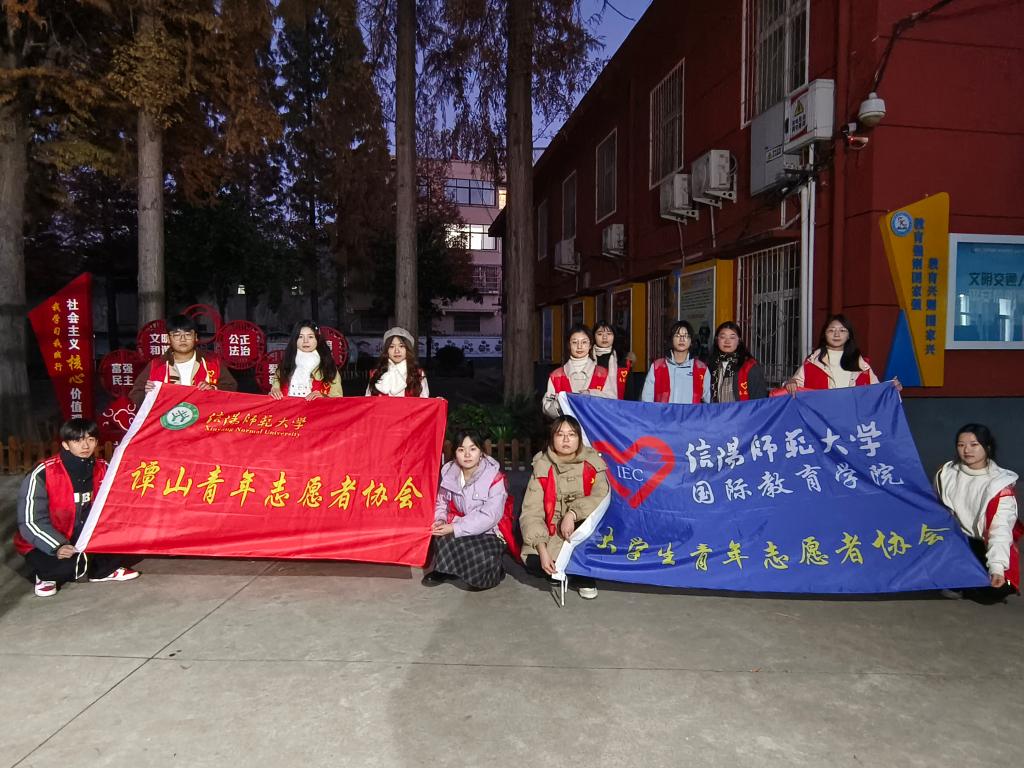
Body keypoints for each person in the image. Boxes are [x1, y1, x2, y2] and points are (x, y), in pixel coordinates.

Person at [14, 418, 140, 598]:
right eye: (77, 440)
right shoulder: (43, 473)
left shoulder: (103, 468)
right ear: (65, 445)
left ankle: (101, 571)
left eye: (90, 439)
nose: (85, 446)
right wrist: (57, 546)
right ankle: (45, 577)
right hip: (51, 538)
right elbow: (30, 521)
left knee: (129, 540)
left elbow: (119, 506)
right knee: (61, 565)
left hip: (86, 537)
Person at [520, 415, 610, 600]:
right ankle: (564, 569)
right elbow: (531, 512)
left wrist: (573, 513)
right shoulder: (542, 466)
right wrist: (542, 549)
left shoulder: (592, 462)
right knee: (534, 561)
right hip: (552, 527)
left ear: (579, 438)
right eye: (560, 434)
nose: (566, 440)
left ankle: (581, 577)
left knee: (587, 551)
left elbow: (601, 496)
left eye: (572, 434)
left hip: (584, 525)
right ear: (552, 438)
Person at [934, 424, 1020, 602]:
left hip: (983, 544)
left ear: (987, 447)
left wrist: (997, 568)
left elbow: (1000, 530)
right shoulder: (946, 474)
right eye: (961, 445)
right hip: (954, 542)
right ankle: (957, 579)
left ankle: (965, 584)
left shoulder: (999, 484)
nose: (967, 450)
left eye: (974, 444)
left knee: (998, 589)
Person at [424, 429, 513, 590]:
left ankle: (496, 569)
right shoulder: (449, 474)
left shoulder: (494, 477)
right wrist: (440, 520)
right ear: (455, 453)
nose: (467, 455)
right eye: (461, 449)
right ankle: (444, 570)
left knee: (479, 555)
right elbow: (441, 503)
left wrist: (455, 527)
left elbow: (490, 516)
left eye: (473, 449)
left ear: (481, 452)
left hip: (488, 531)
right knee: (441, 537)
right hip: (458, 523)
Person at [129, 314, 237, 406]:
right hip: (168, 421)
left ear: (195, 337)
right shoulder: (156, 365)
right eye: (177, 335)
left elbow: (232, 387)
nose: (183, 339)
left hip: (204, 420)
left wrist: (213, 389)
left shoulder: (212, 362)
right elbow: (135, 395)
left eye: (188, 334)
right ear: (168, 339)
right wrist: (147, 394)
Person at [784, 314, 887, 394]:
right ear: (824, 334)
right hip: (821, 414)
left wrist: (891, 387)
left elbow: (878, 391)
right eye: (831, 330)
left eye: (842, 330)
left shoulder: (862, 365)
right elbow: (794, 385)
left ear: (849, 335)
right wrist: (790, 383)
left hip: (853, 414)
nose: (836, 334)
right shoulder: (812, 363)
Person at [542, 324, 616, 419]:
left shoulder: (603, 373)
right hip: (567, 427)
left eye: (584, 342)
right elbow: (547, 407)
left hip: (595, 426)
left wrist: (591, 394)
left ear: (590, 345)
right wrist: (558, 404)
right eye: (574, 342)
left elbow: (613, 401)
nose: (579, 346)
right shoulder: (556, 375)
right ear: (569, 345)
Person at [641, 320, 711, 404]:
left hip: (691, 413)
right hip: (664, 412)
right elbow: (646, 401)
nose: (682, 339)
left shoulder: (701, 369)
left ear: (691, 341)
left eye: (686, 336)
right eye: (677, 335)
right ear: (671, 339)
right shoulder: (657, 367)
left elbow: (709, 401)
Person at [270, 320, 342, 399]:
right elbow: (275, 390)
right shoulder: (286, 364)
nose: (305, 341)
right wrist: (274, 391)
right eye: (301, 337)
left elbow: (338, 398)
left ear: (317, 339)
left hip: (316, 407)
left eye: (310, 337)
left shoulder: (329, 367)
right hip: (289, 407)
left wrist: (324, 397)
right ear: (295, 340)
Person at [707, 320, 768, 402]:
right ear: (717, 339)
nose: (727, 341)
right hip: (715, 410)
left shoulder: (750, 366)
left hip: (742, 410)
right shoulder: (710, 365)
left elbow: (759, 399)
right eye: (723, 337)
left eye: (732, 337)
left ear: (739, 340)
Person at [365, 327, 429, 397]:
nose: (397, 351)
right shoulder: (376, 373)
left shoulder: (418, 374)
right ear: (387, 350)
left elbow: (425, 401)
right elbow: (368, 400)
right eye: (392, 346)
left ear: (408, 349)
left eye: (401, 346)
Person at [593, 322, 634, 400]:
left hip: (617, 405)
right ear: (593, 336)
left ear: (614, 336)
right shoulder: (588, 358)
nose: (604, 337)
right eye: (600, 334)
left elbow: (629, 393)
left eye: (609, 334)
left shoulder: (623, 361)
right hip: (591, 404)